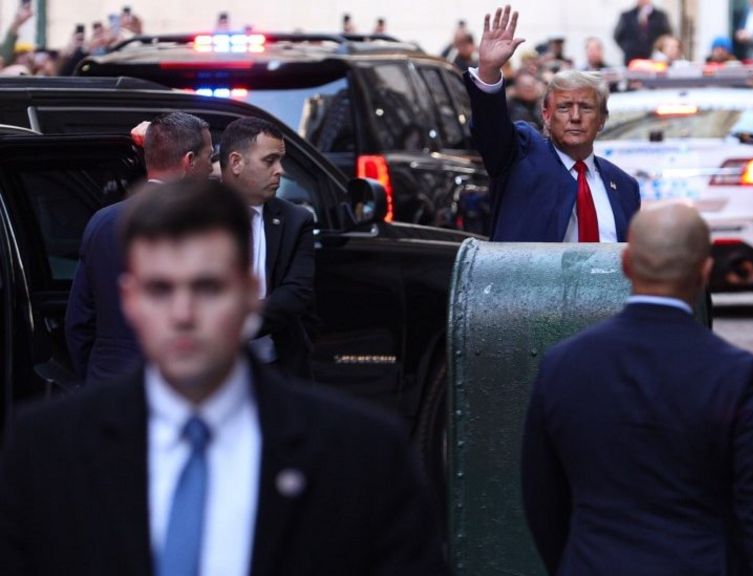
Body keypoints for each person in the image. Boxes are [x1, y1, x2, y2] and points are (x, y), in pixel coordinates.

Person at [0, 179, 445, 576]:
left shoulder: (360, 455)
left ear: (251, 295)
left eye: (207, 287)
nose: (183, 314)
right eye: (160, 289)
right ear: (130, 300)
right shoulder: (46, 450)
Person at [521, 201, 753, 575]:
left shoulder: (563, 365)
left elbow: (542, 498)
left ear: (626, 264)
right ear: (705, 271)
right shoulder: (735, 374)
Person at [464, 5, 640, 242]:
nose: (575, 117)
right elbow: (490, 130)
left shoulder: (624, 187)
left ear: (601, 120)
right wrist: (488, 71)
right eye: (564, 107)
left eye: (586, 107)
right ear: (546, 116)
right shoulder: (521, 156)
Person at [65, 111, 213, 386]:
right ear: (189, 161)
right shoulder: (204, 227)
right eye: (209, 157)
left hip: (108, 382)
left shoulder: (101, 222)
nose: (211, 168)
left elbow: (79, 321)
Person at [219, 117, 315, 378]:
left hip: (276, 368)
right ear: (236, 162)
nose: (280, 170)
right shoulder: (196, 214)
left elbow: (296, 293)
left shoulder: (297, 220)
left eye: (280, 160)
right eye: (269, 160)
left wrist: (237, 324)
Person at [613, 0, 672, 65]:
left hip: (654, 58)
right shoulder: (626, 16)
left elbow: (667, 35)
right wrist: (627, 48)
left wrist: (660, 50)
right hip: (632, 58)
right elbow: (618, 35)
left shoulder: (660, 16)